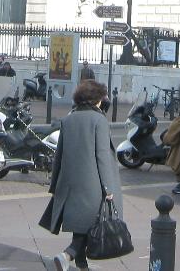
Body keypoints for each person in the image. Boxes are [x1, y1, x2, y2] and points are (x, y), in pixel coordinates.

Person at [43, 79, 124, 271]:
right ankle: (67, 255)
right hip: (93, 183)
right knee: (93, 221)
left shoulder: (68, 119)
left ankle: (81, 264)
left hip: (70, 182)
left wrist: (55, 184)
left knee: (81, 223)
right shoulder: (99, 120)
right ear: (97, 99)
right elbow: (102, 155)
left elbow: (59, 154)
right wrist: (108, 187)